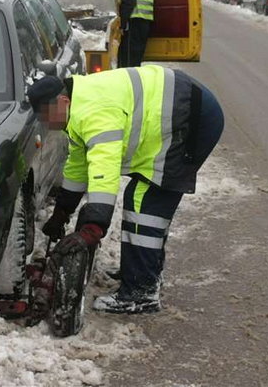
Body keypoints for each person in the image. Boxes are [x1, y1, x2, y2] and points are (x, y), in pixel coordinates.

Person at [27, 65, 224, 314]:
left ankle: (141, 291)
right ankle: (141, 271)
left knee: (145, 203)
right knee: (143, 199)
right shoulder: (76, 109)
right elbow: (79, 165)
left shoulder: (92, 114)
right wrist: (62, 213)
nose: (46, 123)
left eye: (47, 116)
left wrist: (94, 226)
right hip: (180, 110)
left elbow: (103, 167)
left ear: (63, 101)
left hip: (191, 118)